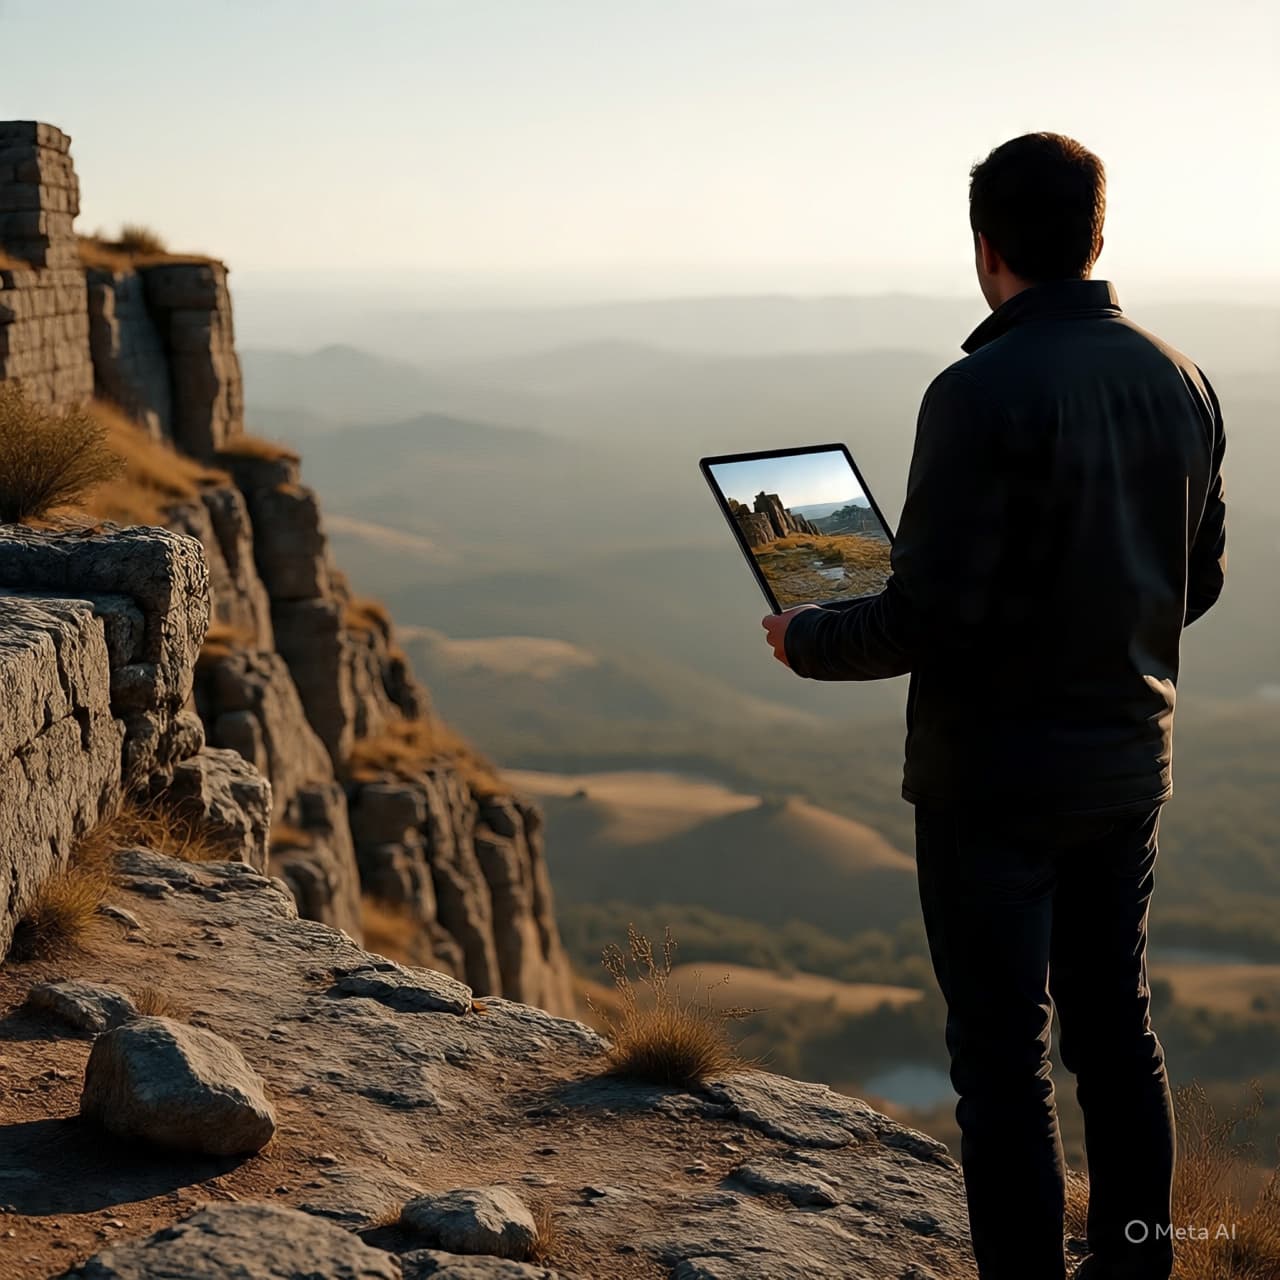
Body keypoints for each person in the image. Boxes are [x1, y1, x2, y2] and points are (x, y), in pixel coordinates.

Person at [762, 132, 1227, 1280]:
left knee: (1001, 1057)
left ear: (984, 248)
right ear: (1096, 233)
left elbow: (923, 618)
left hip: (991, 782)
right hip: (1127, 762)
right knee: (1115, 1034)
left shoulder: (973, 391)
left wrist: (804, 634)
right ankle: (1133, 1265)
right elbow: (1196, 580)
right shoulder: (1182, 376)